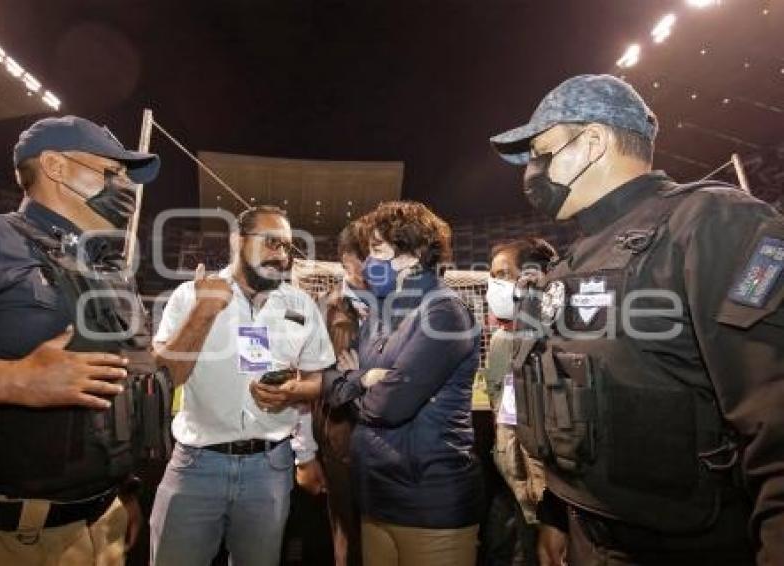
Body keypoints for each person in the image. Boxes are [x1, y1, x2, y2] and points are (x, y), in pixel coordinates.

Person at [489, 74, 784, 565]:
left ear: (593, 142)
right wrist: (558, 520)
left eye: (542, 152)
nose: (532, 171)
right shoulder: (575, 258)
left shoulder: (715, 225)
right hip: (590, 542)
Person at [0, 115, 167, 564]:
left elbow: (117, 396)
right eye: (111, 171)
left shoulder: (108, 270)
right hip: (0, 536)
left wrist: (124, 491)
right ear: (56, 166)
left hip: (103, 523)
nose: (125, 186)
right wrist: (13, 380)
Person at [149, 205, 335, 566]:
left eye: (286, 247)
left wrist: (293, 392)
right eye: (271, 242)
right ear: (238, 240)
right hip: (197, 465)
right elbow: (171, 376)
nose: (280, 255)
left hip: (269, 468)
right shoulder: (190, 295)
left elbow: (317, 380)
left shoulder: (301, 305)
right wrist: (203, 312)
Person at [324, 201, 484, 566]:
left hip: (429, 501)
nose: (368, 264)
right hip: (376, 497)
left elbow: (389, 406)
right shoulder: (378, 312)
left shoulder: (443, 311)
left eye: (377, 250)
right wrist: (362, 379)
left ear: (411, 255)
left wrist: (353, 386)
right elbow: (331, 382)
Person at [481, 238, 555, 566]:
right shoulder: (499, 342)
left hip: (548, 491)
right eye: (492, 275)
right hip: (510, 477)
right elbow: (502, 407)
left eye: (504, 274)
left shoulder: (558, 337)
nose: (495, 285)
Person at [313, 218, 372, 566]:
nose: (371, 264)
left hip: (391, 439)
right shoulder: (321, 307)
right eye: (363, 255)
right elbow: (311, 380)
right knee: (346, 535)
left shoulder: (395, 304)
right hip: (341, 440)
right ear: (345, 260)